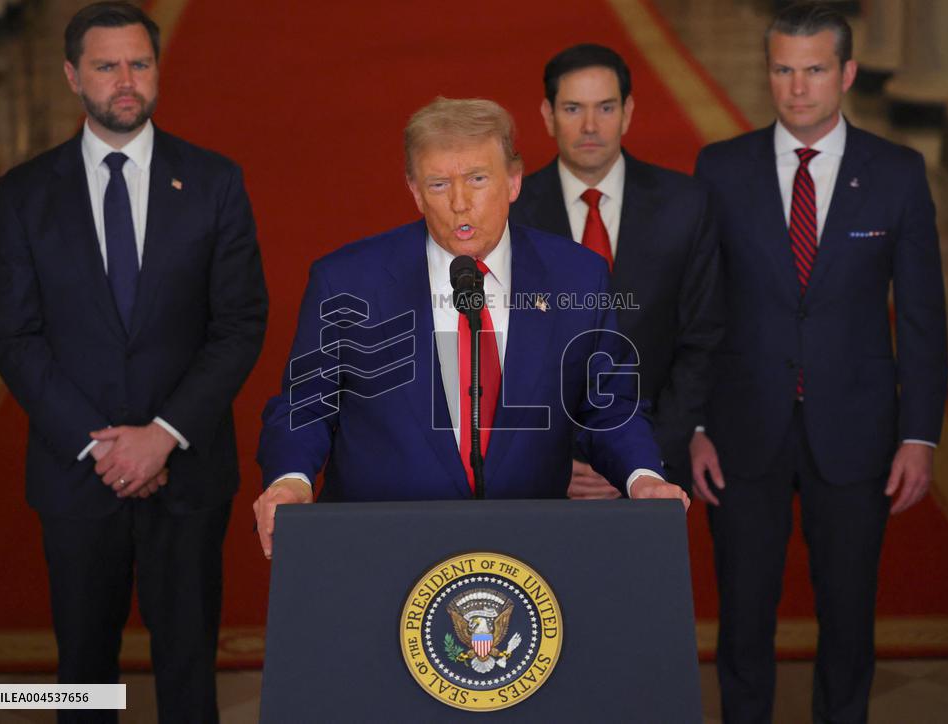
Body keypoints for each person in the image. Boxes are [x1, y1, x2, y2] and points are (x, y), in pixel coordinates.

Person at [0, 3, 268, 721]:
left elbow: (238, 324)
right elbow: (14, 336)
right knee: (82, 667)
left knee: (188, 664)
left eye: (139, 63)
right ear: (72, 75)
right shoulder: (25, 193)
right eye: (107, 65)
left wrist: (162, 434)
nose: (125, 81)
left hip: (188, 469)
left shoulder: (214, 181)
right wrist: (102, 445)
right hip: (77, 471)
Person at [253, 97, 688, 557]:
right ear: (416, 191)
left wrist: (645, 479)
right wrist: (290, 481)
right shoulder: (347, 280)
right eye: (439, 184)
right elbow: (306, 405)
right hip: (380, 551)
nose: (460, 203)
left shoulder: (576, 276)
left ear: (514, 181)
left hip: (527, 552)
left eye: (478, 179)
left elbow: (608, 405)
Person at [691, 3, 948, 722]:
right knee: (743, 617)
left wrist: (920, 436)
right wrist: (699, 424)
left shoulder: (896, 174)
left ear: (847, 74)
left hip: (858, 433)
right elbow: (699, 309)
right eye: (783, 69)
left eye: (813, 70)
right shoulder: (720, 167)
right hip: (743, 433)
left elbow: (924, 320)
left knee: (848, 617)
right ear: (767, 72)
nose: (797, 88)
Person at [510, 43, 722, 499]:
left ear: (627, 113)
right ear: (547, 115)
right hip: (541, 476)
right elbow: (496, 353)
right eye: (573, 108)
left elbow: (702, 340)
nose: (590, 126)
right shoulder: (511, 215)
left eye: (605, 108)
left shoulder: (686, 205)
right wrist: (552, 462)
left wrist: (638, 462)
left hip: (654, 470)